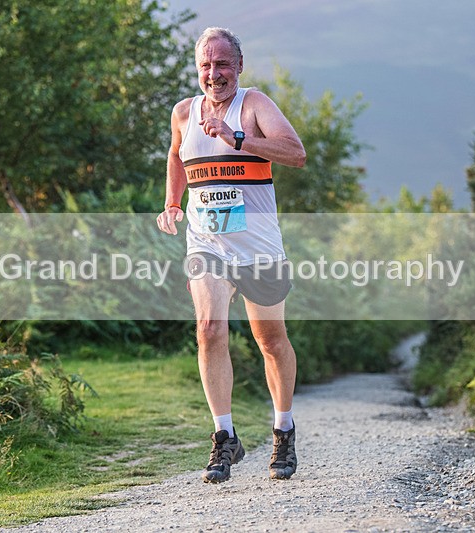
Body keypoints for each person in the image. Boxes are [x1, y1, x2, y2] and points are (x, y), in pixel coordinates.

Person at [156, 27, 306, 484]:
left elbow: (295, 154)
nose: (214, 73)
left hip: (258, 246)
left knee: (270, 341)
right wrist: (172, 203)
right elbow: (176, 156)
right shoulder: (184, 112)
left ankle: (283, 428)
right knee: (208, 330)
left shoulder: (254, 104)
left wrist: (238, 137)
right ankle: (225, 438)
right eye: (206, 64)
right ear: (197, 67)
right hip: (207, 244)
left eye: (223, 64)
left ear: (239, 66)